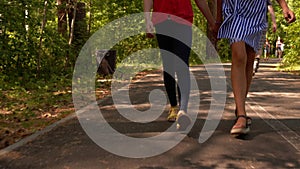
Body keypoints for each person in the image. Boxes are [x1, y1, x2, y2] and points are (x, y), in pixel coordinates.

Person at [217, 0, 295, 135]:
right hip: (234, 10)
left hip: (256, 12)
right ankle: (241, 115)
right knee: (239, 56)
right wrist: (218, 18)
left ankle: (239, 106)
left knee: (249, 57)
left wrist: (284, 7)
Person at [143, 0, 217, 131]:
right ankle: (173, 107)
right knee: (169, 66)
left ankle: (183, 110)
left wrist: (212, 22)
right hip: (162, 21)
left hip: (183, 21)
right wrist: (147, 20)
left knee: (182, 64)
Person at [253, 0, 277, 74]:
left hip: (252, 23)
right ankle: (256, 61)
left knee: (251, 43)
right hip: (262, 24)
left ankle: (252, 62)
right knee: (259, 45)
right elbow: (271, 10)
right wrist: (274, 23)